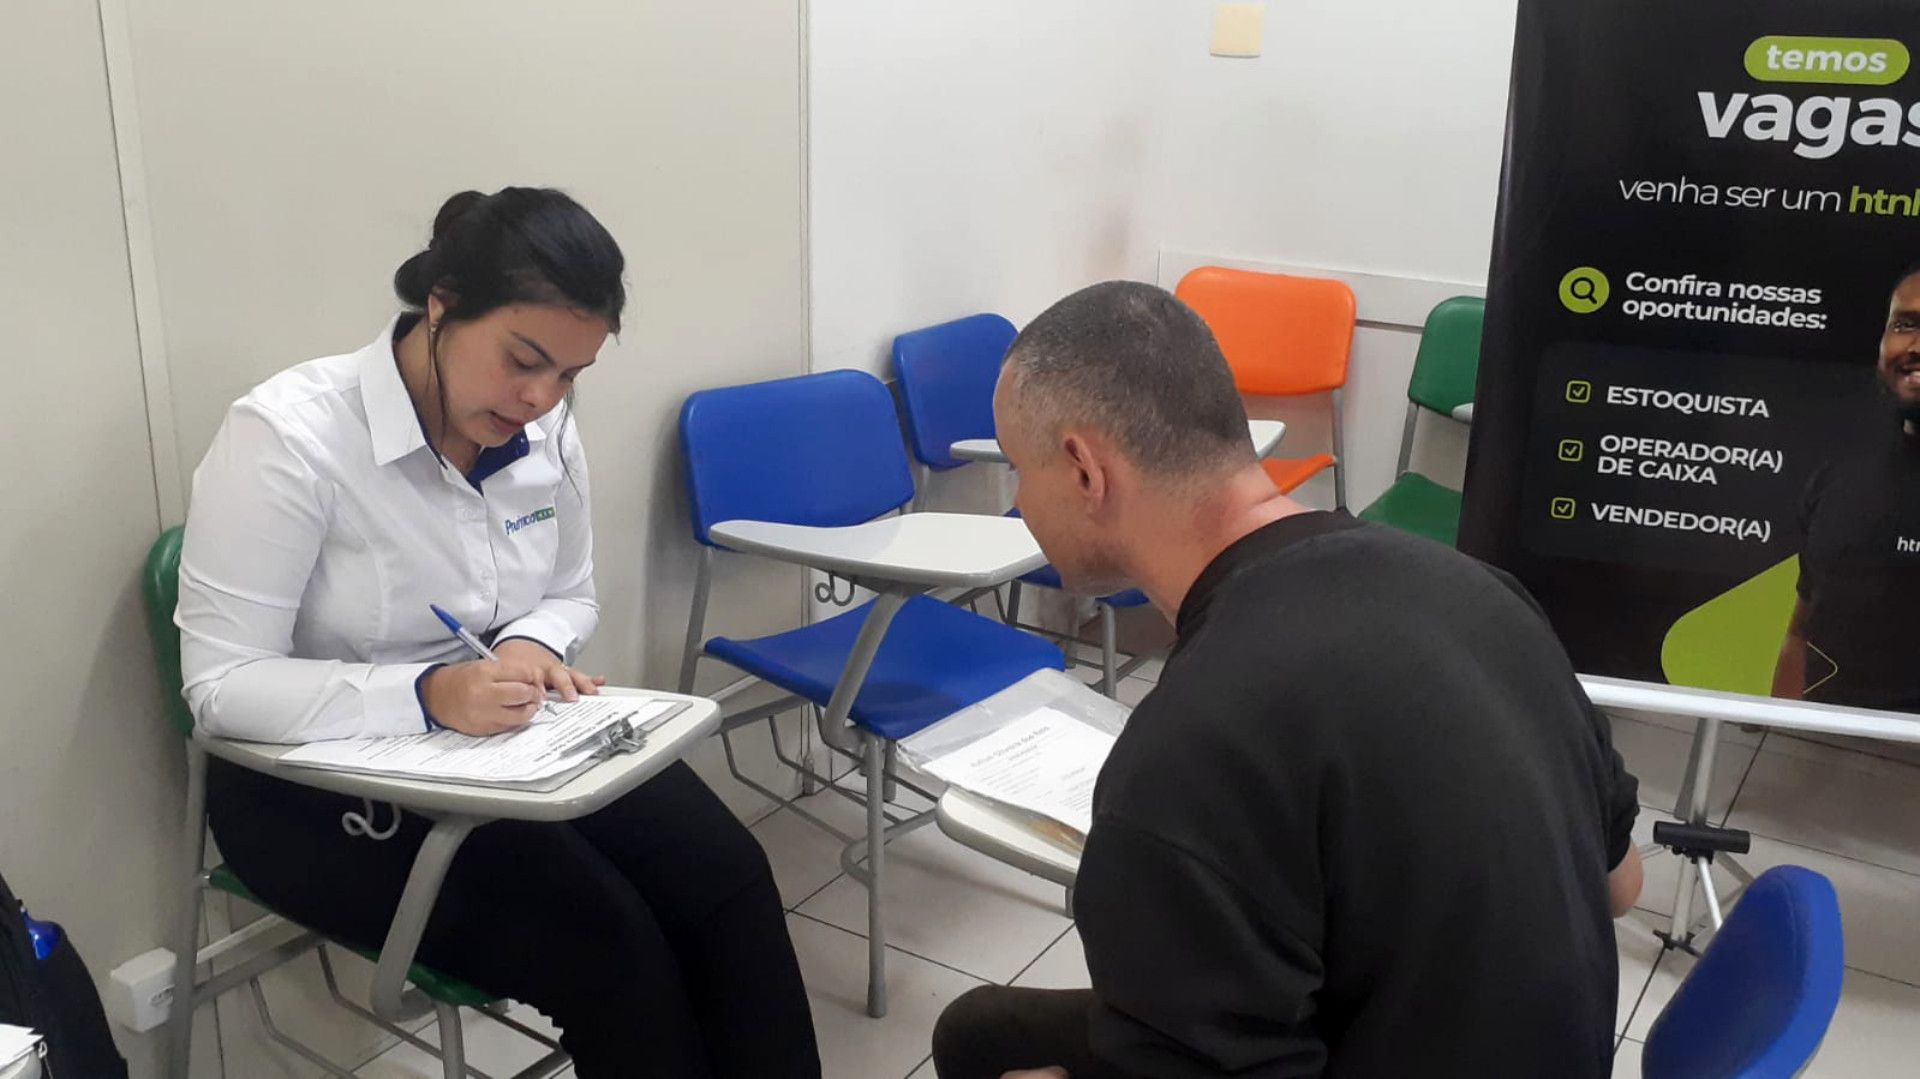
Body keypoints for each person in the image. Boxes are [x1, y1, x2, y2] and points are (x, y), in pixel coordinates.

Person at [175, 188, 819, 1078]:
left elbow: (571, 590)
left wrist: (532, 645)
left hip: (503, 738)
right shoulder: (290, 436)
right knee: (613, 950)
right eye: (525, 360)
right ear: (440, 304)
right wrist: (430, 696)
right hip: (306, 789)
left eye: (569, 376)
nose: (540, 397)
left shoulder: (544, 427)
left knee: (730, 880)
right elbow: (221, 687)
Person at [931, 281, 1644, 1079]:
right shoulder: (1482, 591)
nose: (1020, 502)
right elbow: (1621, 884)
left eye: (1019, 470)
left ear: (1084, 470)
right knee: (984, 1030)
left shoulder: (1184, 754)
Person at [1773, 264, 1920, 713]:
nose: (1914, 346)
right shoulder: (1838, 475)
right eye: (1905, 324)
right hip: (1813, 754)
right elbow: (1801, 630)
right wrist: (1778, 725)